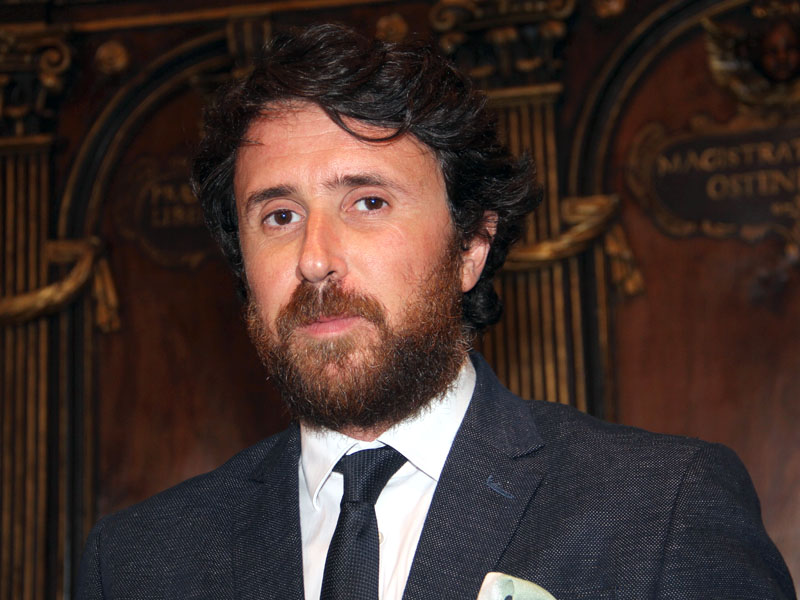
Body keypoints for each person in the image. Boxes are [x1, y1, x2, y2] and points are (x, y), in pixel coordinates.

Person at [77, 23, 796, 600]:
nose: (314, 258)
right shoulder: (140, 562)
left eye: (368, 202)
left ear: (471, 247)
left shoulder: (660, 510)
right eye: (279, 216)